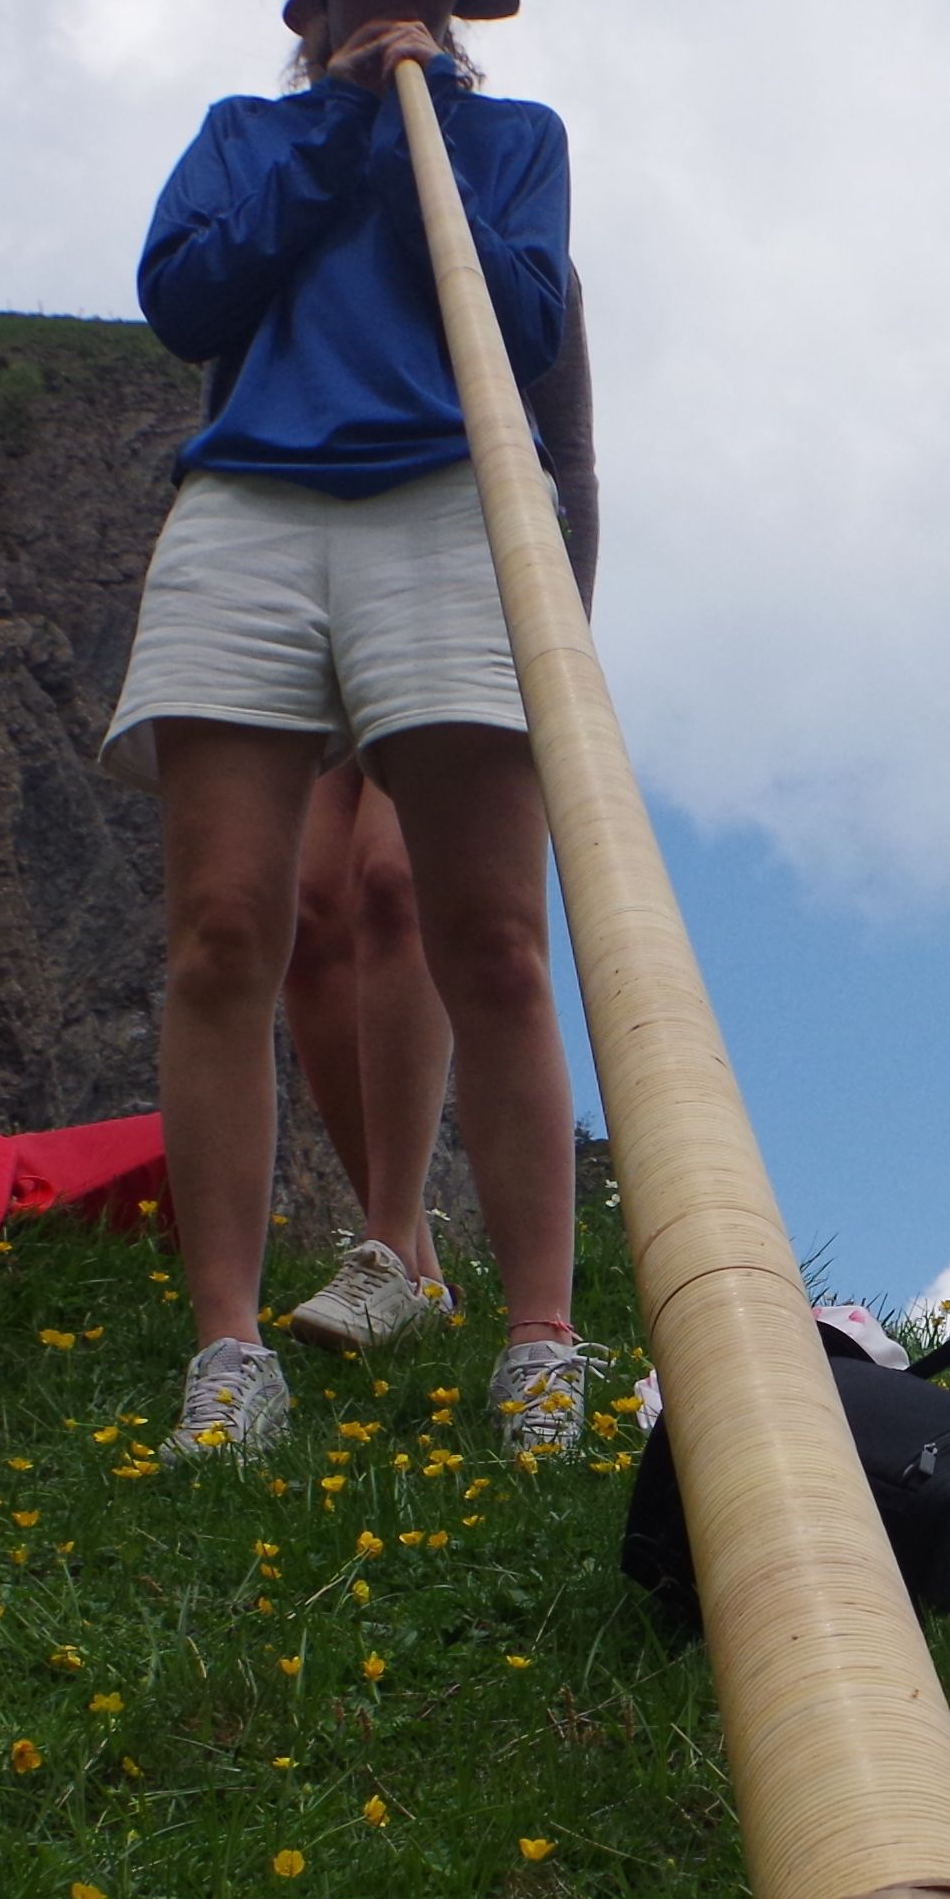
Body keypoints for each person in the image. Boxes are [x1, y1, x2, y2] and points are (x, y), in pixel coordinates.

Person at [113, 0, 597, 1463]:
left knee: (492, 935)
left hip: (452, 510)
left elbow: (521, 320)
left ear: (458, 0)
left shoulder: (511, 140)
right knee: (222, 932)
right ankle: (228, 1349)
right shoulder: (244, 136)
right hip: (249, 513)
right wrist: (333, 130)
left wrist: (415, 139)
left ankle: (540, 1337)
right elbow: (186, 296)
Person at [273, 261, 594, 1355]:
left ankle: (389, 1246)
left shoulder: (505, 242)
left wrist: (562, 643)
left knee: (398, 880)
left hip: (464, 580)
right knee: (308, 915)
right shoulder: (310, 223)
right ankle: (409, 1266)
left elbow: (569, 453)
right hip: (314, 565)